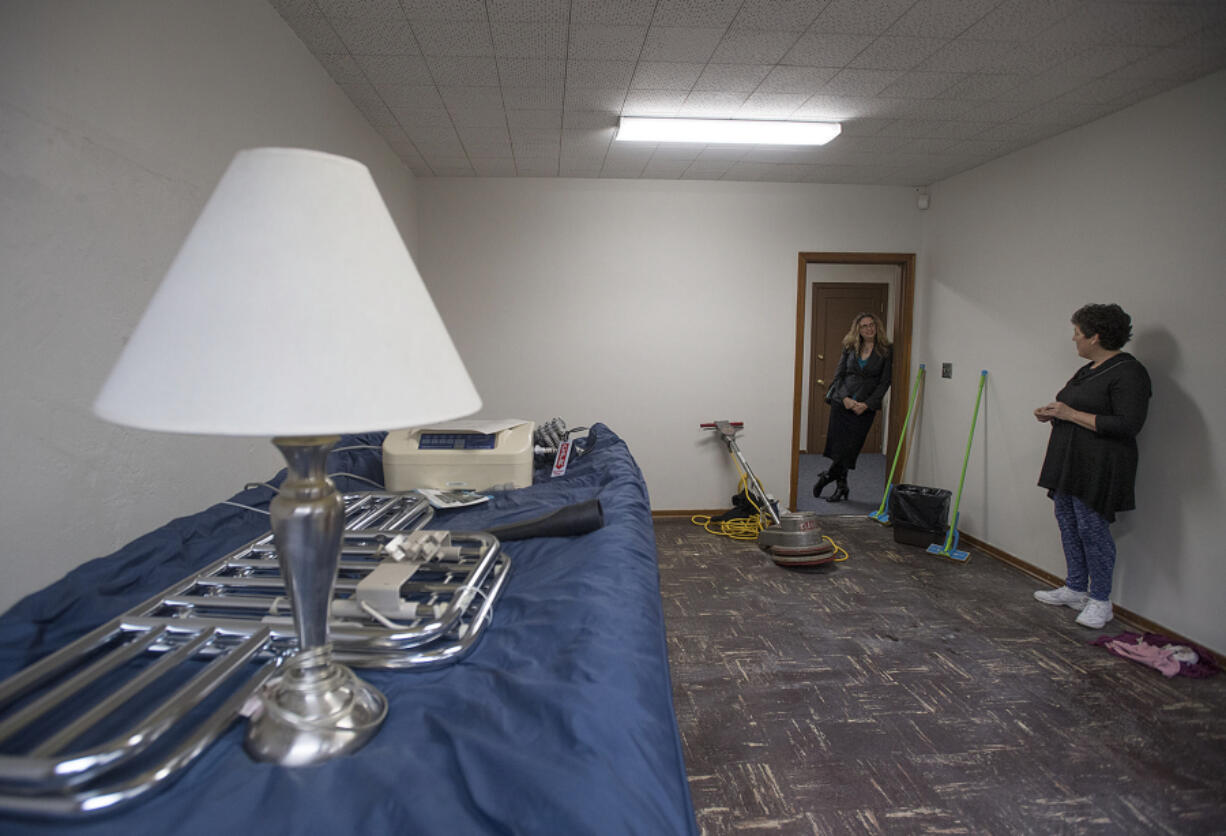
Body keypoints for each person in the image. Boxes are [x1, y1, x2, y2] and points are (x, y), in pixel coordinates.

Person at [1033, 303, 1151, 629]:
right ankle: (1075, 587)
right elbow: (1075, 405)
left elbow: (1128, 424)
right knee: (1068, 521)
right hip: (1069, 460)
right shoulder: (1090, 369)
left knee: (1092, 529)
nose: (1074, 339)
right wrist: (1054, 412)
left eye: (1077, 333)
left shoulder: (1129, 372)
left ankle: (1100, 600)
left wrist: (1070, 414)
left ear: (1095, 336)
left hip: (1100, 465)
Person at [813, 312, 892, 502]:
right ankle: (842, 487)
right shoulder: (850, 347)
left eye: (872, 325)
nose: (869, 328)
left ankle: (829, 476)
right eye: (864, 326)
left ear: (877, 327)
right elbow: (839, 375)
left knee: (851, 448)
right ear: (858, 329)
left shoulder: (886, 350)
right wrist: (845, 398)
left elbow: (884, 382)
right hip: (843, 405)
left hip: (864, 407)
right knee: (839, 447)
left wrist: (867, 404)